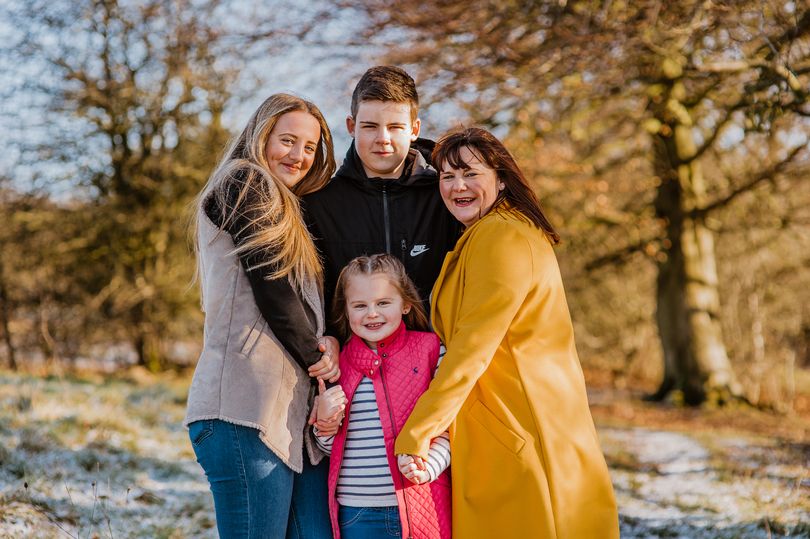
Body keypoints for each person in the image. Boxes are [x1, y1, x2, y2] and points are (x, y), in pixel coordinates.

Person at [394, 127, 620, 538]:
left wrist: (419, 430)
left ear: (500, 178)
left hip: (521, 431)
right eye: (446, 176)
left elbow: (471, 350)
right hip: (513, 427)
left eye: (469, 173)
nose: (457, 185)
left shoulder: (502, 236)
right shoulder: (489, 233)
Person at [184, 93, 344, 539]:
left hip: (288, 419)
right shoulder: (244, 182)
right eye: (288, 141)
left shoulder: (288, 208)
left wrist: (328, 337)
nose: (298, 156)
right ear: (260, 135)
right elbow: (272, 282)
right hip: (243, 411)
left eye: (309, 147)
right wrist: (319, 356)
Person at [303, 66, 461, 322]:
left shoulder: (445, 197)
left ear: (414, 129)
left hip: (437, 357)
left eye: (396, 126)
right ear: (351, 126)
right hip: (348, 359)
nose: (383, 138)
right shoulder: (318, 204)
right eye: (370, 126)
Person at [314, 254, 452, 539]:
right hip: (356, 511)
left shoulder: (430, 350)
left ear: (406, 305)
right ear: (346, 311)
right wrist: (324, 424)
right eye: (360, 305)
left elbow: (450, 422)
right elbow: (330, 447)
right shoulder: (339, 364)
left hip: (421, 500)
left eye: (383, 303)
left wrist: (429, 466)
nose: (372, 314)